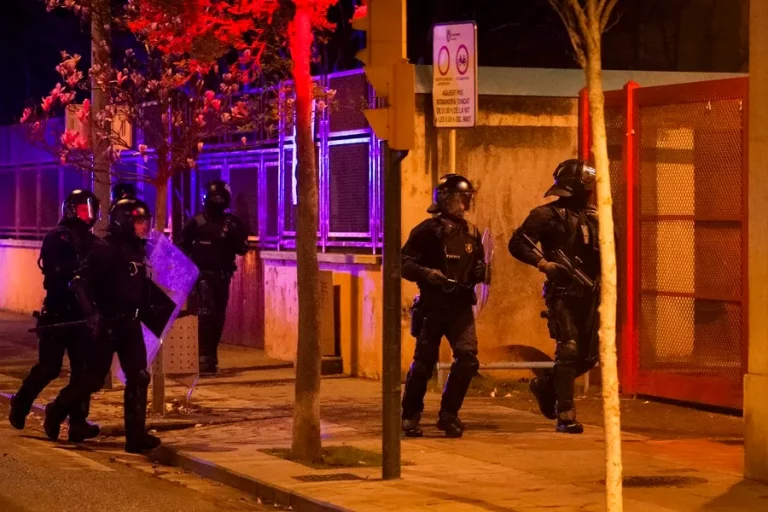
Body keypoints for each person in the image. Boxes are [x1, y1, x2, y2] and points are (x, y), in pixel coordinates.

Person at [43, 198, 161, 453]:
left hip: (131, 323)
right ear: (124, 221)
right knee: (93, 379)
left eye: (145, 222)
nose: (144, 227)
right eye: (139, 221)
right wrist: (91, 314)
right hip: (108, 323)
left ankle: (136, 437)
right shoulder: (104, 249)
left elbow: (140, 287)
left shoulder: (139, 250)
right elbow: (79, 282)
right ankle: (56, 409)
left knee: (139, 377)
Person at [508, 159, 600, 434]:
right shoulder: (546, 215)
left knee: (588, 357)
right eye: (586, 186)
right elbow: (518, 242)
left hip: (590, 294)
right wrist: (543, 263)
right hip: (562, 293)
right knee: (568, 350)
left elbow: (611, 251)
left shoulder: (594, 216)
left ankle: (545, 385)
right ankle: (566, 413)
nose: (590, 191)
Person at [9, 190, 101, 442]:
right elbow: (56, 269)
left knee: (83, 372)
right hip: (58, 312)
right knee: (49, 368)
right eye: (84, 210)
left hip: (82, 315)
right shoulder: (57, 236)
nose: (88, 216)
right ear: (71, 210)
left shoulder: (92, 240)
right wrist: (80, 266)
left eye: (92, 210)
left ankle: (77, 422)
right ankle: (21, 403)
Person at [400, 174, 487, 438]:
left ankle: (449, 414)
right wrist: (427, 274)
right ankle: (410, 414)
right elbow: (403, 262)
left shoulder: (472, 233)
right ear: (446, 201)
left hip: (460, 306)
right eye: (459, 200)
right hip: (433, 305)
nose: (463, 205)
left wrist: (480, 272)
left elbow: (478, 264)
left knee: (468, 360)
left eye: (467, 200)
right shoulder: (427, 231)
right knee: (424, 364)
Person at [179, 180, 248, 375]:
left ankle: (210, 359)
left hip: (222, 275)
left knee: (217, 317)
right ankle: (202, 359)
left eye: (220, 198)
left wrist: (233, 236)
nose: (216, 201)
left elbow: (242, 248)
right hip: (202, 276)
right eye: (213, 198)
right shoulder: (196, 222)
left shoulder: (231, 223)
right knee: (207, 315)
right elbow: (181, 245)